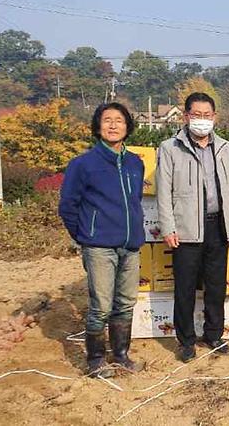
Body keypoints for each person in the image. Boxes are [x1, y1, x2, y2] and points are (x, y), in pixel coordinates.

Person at [156, 92, 229, 362]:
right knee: (185, 288)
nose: (202, 120)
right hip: (186, 229)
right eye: (197, 115)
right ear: (186, 116)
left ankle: (214, 334)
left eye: (207, 115)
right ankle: (186, 340)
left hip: (218, 226)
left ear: (215, 117)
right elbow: (163, 191)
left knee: (216, 285)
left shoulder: (225, 147)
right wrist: (168, 227)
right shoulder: (170, 148)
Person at [59, 102, 145, 377]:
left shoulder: (135, 163)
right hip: (99, 247)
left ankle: (121, 354)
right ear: (98, 126)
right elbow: (68, 206)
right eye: (107, 120)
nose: (113, 125)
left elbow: (135, 201)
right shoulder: (83, 164)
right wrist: (86, 236)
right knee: (101, 306)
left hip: (130, 245)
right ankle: (95, 359)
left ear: (127, 126)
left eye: (119, 120)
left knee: (126, 302)